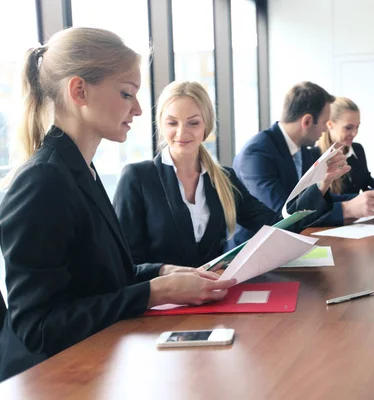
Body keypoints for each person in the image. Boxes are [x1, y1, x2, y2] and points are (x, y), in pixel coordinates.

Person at [0, 27, 236, 382]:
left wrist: (161, 273)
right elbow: (38, 327)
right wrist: (154, 293)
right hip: (55, 379)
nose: (139, 109)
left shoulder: (82, 171)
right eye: (127, 93)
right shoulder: (44, 181)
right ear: (79, 90)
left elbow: (100, 281)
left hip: (97, 364)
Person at [113, 81, 341, 267]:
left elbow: (278, 228)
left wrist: (321, 185)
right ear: (161, 126)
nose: (181, 132)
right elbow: (124, 264)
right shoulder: (137, 178)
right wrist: (165, 274)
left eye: (193, 123)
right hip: (160, 305)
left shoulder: (223, 179)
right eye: (172, 122)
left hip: (212, 298)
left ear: (206, 127)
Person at [232, 82, 374, 246]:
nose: (325, 130)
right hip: (253, 252)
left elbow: (310, 199)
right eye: (324, 123)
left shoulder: (302, 150)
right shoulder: (257, 154)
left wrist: (360, 199)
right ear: (307, 121)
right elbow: (282, 215)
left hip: (291, 243)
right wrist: (346, 209)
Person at [312, 96, 374, 205]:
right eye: (348, 128)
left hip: (358, 219)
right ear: (330, 124)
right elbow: (320, 199)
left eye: (357, 127)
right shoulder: (313, 155)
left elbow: (369, 185)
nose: (354, 133)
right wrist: (360, 198)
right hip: (333, 220)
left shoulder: (357, 149)